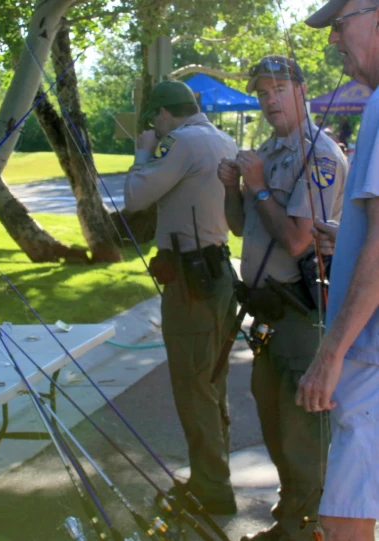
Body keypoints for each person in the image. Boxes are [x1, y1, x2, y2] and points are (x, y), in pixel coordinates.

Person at [218, 55, 347, 541]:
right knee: (274, 423)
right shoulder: (269, 153)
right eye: (261, 92)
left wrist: (257, 186)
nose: (269, 100)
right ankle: (289, 520)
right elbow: (238, 226)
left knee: (303, 432)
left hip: (301, 311)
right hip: (267, 314)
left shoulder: (320, 155)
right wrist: (234, 189)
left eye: (277, 89)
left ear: (302, 90)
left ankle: (308, 528)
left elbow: (296, 241)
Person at [123, 81, 239, 514]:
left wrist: (144, 150)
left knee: (194, 387)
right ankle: (214, 473)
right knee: (212, 382)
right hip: (219, 270)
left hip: (193, 280)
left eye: (154, 118)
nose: (153, 125)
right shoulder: (222, 137)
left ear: (165, 114)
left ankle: (211, 488)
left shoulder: (180, 141)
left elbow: (135, 197)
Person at [297, 2, 379, 540]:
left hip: (370, 358)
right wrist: (345, 238)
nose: (332, 41)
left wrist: (329, 355)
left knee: (342, 518)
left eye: (339, 23)